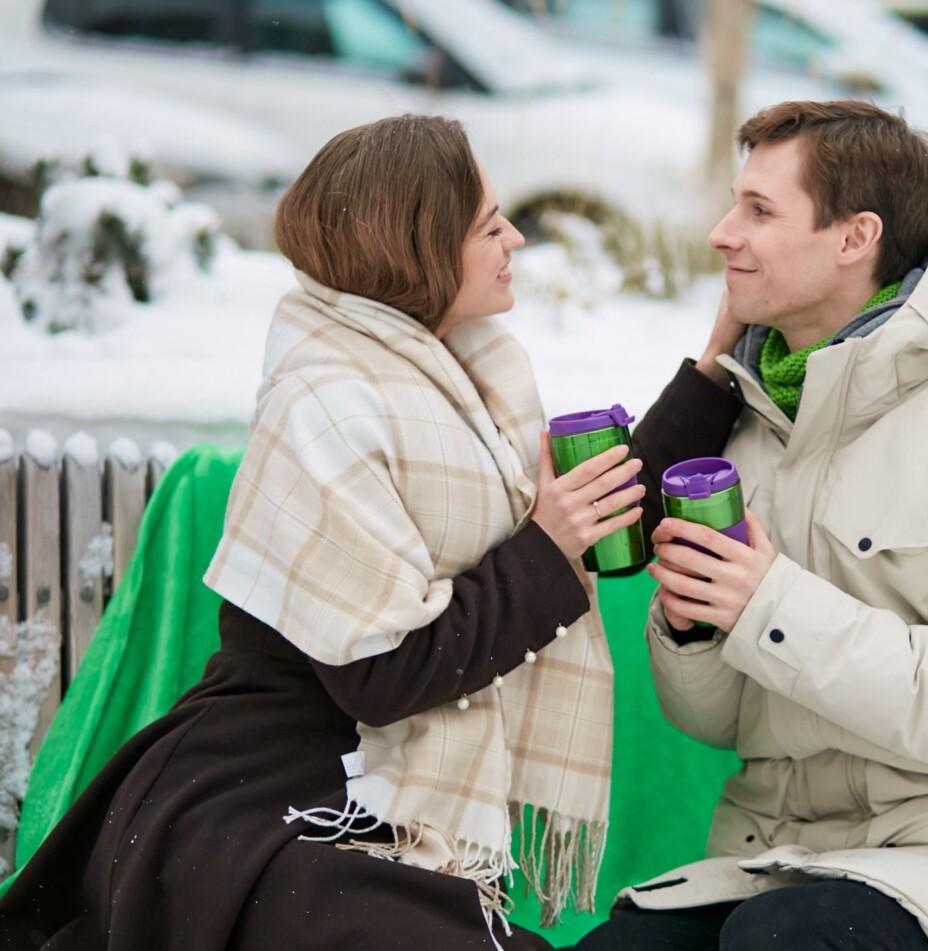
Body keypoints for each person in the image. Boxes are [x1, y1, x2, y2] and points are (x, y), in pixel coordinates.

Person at [0, 114, 644, 951]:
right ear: (418, 249)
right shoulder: (327, 400)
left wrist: (714, 361)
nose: (515, 237)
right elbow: (383, 670)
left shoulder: (467, 376)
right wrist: (546, 549)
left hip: (366, 795)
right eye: (489, 224)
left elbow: (598, 504)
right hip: (272, 798)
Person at [577, 100, 928, 951]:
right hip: (780, 857)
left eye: (760, 211)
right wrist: (694, 624)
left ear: (854, 236)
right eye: (734, 204)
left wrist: (771, 605)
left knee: (788, 942)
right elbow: (719, 725)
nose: (723, 234)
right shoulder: (756, 426)